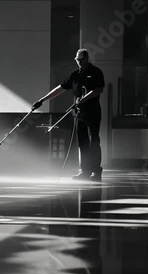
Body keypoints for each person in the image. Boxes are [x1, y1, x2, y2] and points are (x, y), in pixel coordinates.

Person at [32, 49, 105, 181]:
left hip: (93, 113)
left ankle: (96, 171)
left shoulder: (96, 72)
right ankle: (85, 171)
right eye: (77, 60)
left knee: (94, 141)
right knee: (82, 143)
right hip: (79, 113)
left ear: (87, 58)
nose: (79, 62)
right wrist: (42, 100)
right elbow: (60, 88)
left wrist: (84, 98)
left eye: (81, 60)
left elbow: (99, 89)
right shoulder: (75, 75)